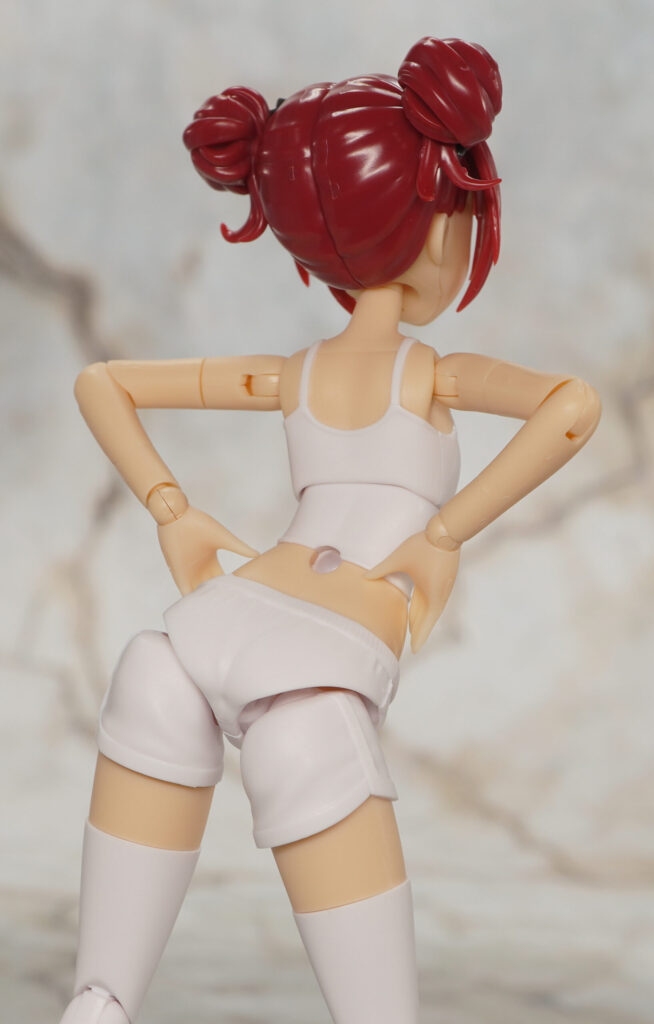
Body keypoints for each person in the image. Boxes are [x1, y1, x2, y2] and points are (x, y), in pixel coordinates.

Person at [59, 37, 601, 1024]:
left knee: (155, 680)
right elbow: (573, 406)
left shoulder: (291, 375)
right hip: (338, 624)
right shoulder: (431, 375)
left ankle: (99, 999)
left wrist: (173, 511)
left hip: (239, 598)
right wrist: (447, 531)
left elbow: (102, 384)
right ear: (441, 220)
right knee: (307, 740)